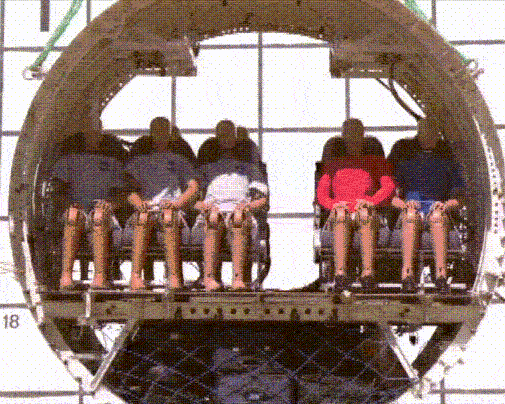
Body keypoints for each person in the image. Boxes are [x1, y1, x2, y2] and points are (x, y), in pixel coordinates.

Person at [316, 118, 396, 292]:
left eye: (356, 133)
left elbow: (389, 187)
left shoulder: (376, 162)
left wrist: (371, 202)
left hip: (367, 211)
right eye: (349, 134)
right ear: (343, 137)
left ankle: (368, 274)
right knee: (341, 215)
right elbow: (321, 194)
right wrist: (335, 205)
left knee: (365, 214)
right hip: (341, 212)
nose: (353, 138)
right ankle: (340, 274)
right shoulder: (332, 165)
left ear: (363, 136)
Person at [389, 117, 465, 293]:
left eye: (433, 133)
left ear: (438, 135)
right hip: (411, 209)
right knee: (410, 216)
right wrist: (404, 205)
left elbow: (460, 198)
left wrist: (446, 205)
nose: (429, 136)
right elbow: (390, 196)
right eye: (425, 132)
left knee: (438, 217)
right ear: (419, 134)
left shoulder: (448, 161)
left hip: (437, 209)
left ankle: (441, 276)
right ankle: (407, 275)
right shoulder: (405, 159)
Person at [125, 117, 199, 290]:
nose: (160, 135)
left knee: (168, 217)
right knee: (142, 218)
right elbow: (128, 189)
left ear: (171, 134)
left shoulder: (180, 160)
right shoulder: (139, 161)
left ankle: (174, 277)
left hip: (172, 209)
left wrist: (177, 204)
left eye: (164, 131)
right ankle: (135, 277)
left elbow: (193, 188)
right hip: (147, 208)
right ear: (151, 134)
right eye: (157, 131)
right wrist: (139, 203)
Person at [195, 120, 268, 291]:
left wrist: (248, 207)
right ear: (216, 139)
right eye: (221, 135)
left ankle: (238, 279)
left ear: (236, 138)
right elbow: (193, 199)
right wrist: (204, 206)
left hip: (240, 211)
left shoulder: (250, 168)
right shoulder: (206, 169)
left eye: (229, 135)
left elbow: (263, 199)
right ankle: (209, 278)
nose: (225, 139)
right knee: (213, 218)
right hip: (212, 211)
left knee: (238, 219)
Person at [51, 121, 125, 290]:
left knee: (99, 216)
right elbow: (56, 191)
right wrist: (69, 204)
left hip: (102, 211)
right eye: (89, 132)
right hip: (76, 209)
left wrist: (110, 205)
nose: (93, 136)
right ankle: (66, 276)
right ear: (83, 134)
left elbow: (123, 194)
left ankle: (100, 277)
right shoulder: (68, 160)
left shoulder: (113, 161)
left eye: (96, 132)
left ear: (101, 134)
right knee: (73, 216)